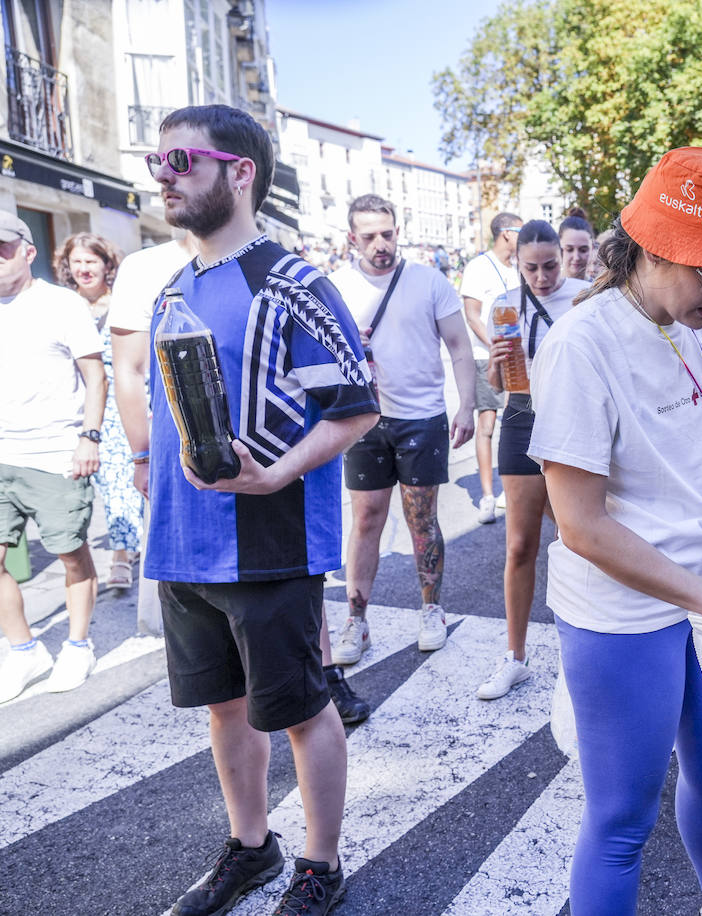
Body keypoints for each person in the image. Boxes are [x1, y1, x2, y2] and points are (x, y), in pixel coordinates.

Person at [528, 147, 702, 916]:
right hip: (622, 612)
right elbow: (580, 525)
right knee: (621, 821)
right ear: (655, 249)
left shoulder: (700, 323)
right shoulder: (584, 346)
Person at [144, 104, 378, 916]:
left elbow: (355, 408)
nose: (164, 177)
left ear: (239, 173)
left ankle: (321, 862)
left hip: (266, 543)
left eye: (182, 161)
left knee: (302, 710)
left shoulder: (292, 282)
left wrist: (278, 476)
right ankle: (251, 847)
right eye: (158, 162)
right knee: (223, 706)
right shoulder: (174, 286)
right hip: (183, 545)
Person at [328, 194, 477, 706]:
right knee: (366, 519)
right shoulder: (337, 288)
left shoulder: (429, 282)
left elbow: (460, 346)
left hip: (421, 418)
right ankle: (356, 620)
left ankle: (430, 608)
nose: (381, 244)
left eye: (387, 233)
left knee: (421, 518)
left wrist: (467, 407)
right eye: (369, 235)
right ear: (351, 239)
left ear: (398, 231)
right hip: (364, 417)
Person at [477, 220, 589, 700]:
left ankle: (584, 654)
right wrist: (494, 362)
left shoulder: (586, 296)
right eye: (530, 268)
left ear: (562, 258)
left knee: (580, 541)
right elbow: (498, 388)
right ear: (515, 262)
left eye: (549, 265)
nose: (541, 277)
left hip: (574, 423)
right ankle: (515, 657)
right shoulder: (505, 306)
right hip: (521, 419)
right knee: (520, 545)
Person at [0, 210, 107, 702]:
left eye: (4, 247)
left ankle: (77, 645)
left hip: (55, 452)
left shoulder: (61, 304)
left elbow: (95, 375)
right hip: (3, 454)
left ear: (28, 251)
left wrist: (89, 436)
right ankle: (23, 651)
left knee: (69, 551)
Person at [109, 233, 200, 637]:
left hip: (254, 452)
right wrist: (142, 456)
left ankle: (322, 677)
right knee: (190, 608)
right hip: (172, 450)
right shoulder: (143, 267)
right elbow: (128, 370)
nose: (169, 177)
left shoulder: (261, 255)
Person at [54, 233, 145, 591]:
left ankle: (121, 553)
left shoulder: (121, 304)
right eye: (77, 261)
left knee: (119, 480)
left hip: (116, 406)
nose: (83, 268)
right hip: (72, 407)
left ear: (107, 265)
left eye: (91, 261)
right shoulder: (62, 305)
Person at [460, 212, 523, 523]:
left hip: (516, 357)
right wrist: (495, 345)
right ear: (506, 233)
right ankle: (487, 495)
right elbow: (472, 316)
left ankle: (509, 491)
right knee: (486, 426)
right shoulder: (478, 267)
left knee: (515, 424)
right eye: (519, 230)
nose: (522, 235)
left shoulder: (518, 267)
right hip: (486, 356)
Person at [559, 209, 595, 280]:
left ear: (592, 249)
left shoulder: (602, 290)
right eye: (569, 250)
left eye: (583, 250)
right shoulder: (547, 289)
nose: (576, 257)